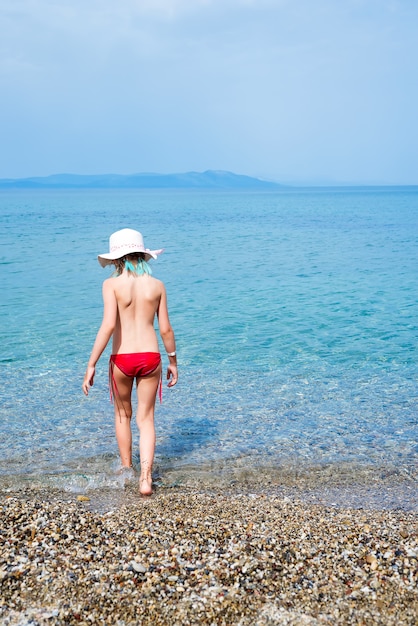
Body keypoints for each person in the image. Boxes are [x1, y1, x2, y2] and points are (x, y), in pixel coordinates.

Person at [82, 228, 178, 496]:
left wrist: (91, 364)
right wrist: (173, 361)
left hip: (122, 359)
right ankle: (146, 479)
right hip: (151, 357)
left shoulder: (111, 285)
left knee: (123, 415)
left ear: (116, 259)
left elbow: (108, 326)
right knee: (146, 419)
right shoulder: (157, 286)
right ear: (142, 255)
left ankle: (126, 471)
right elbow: (166, 329)